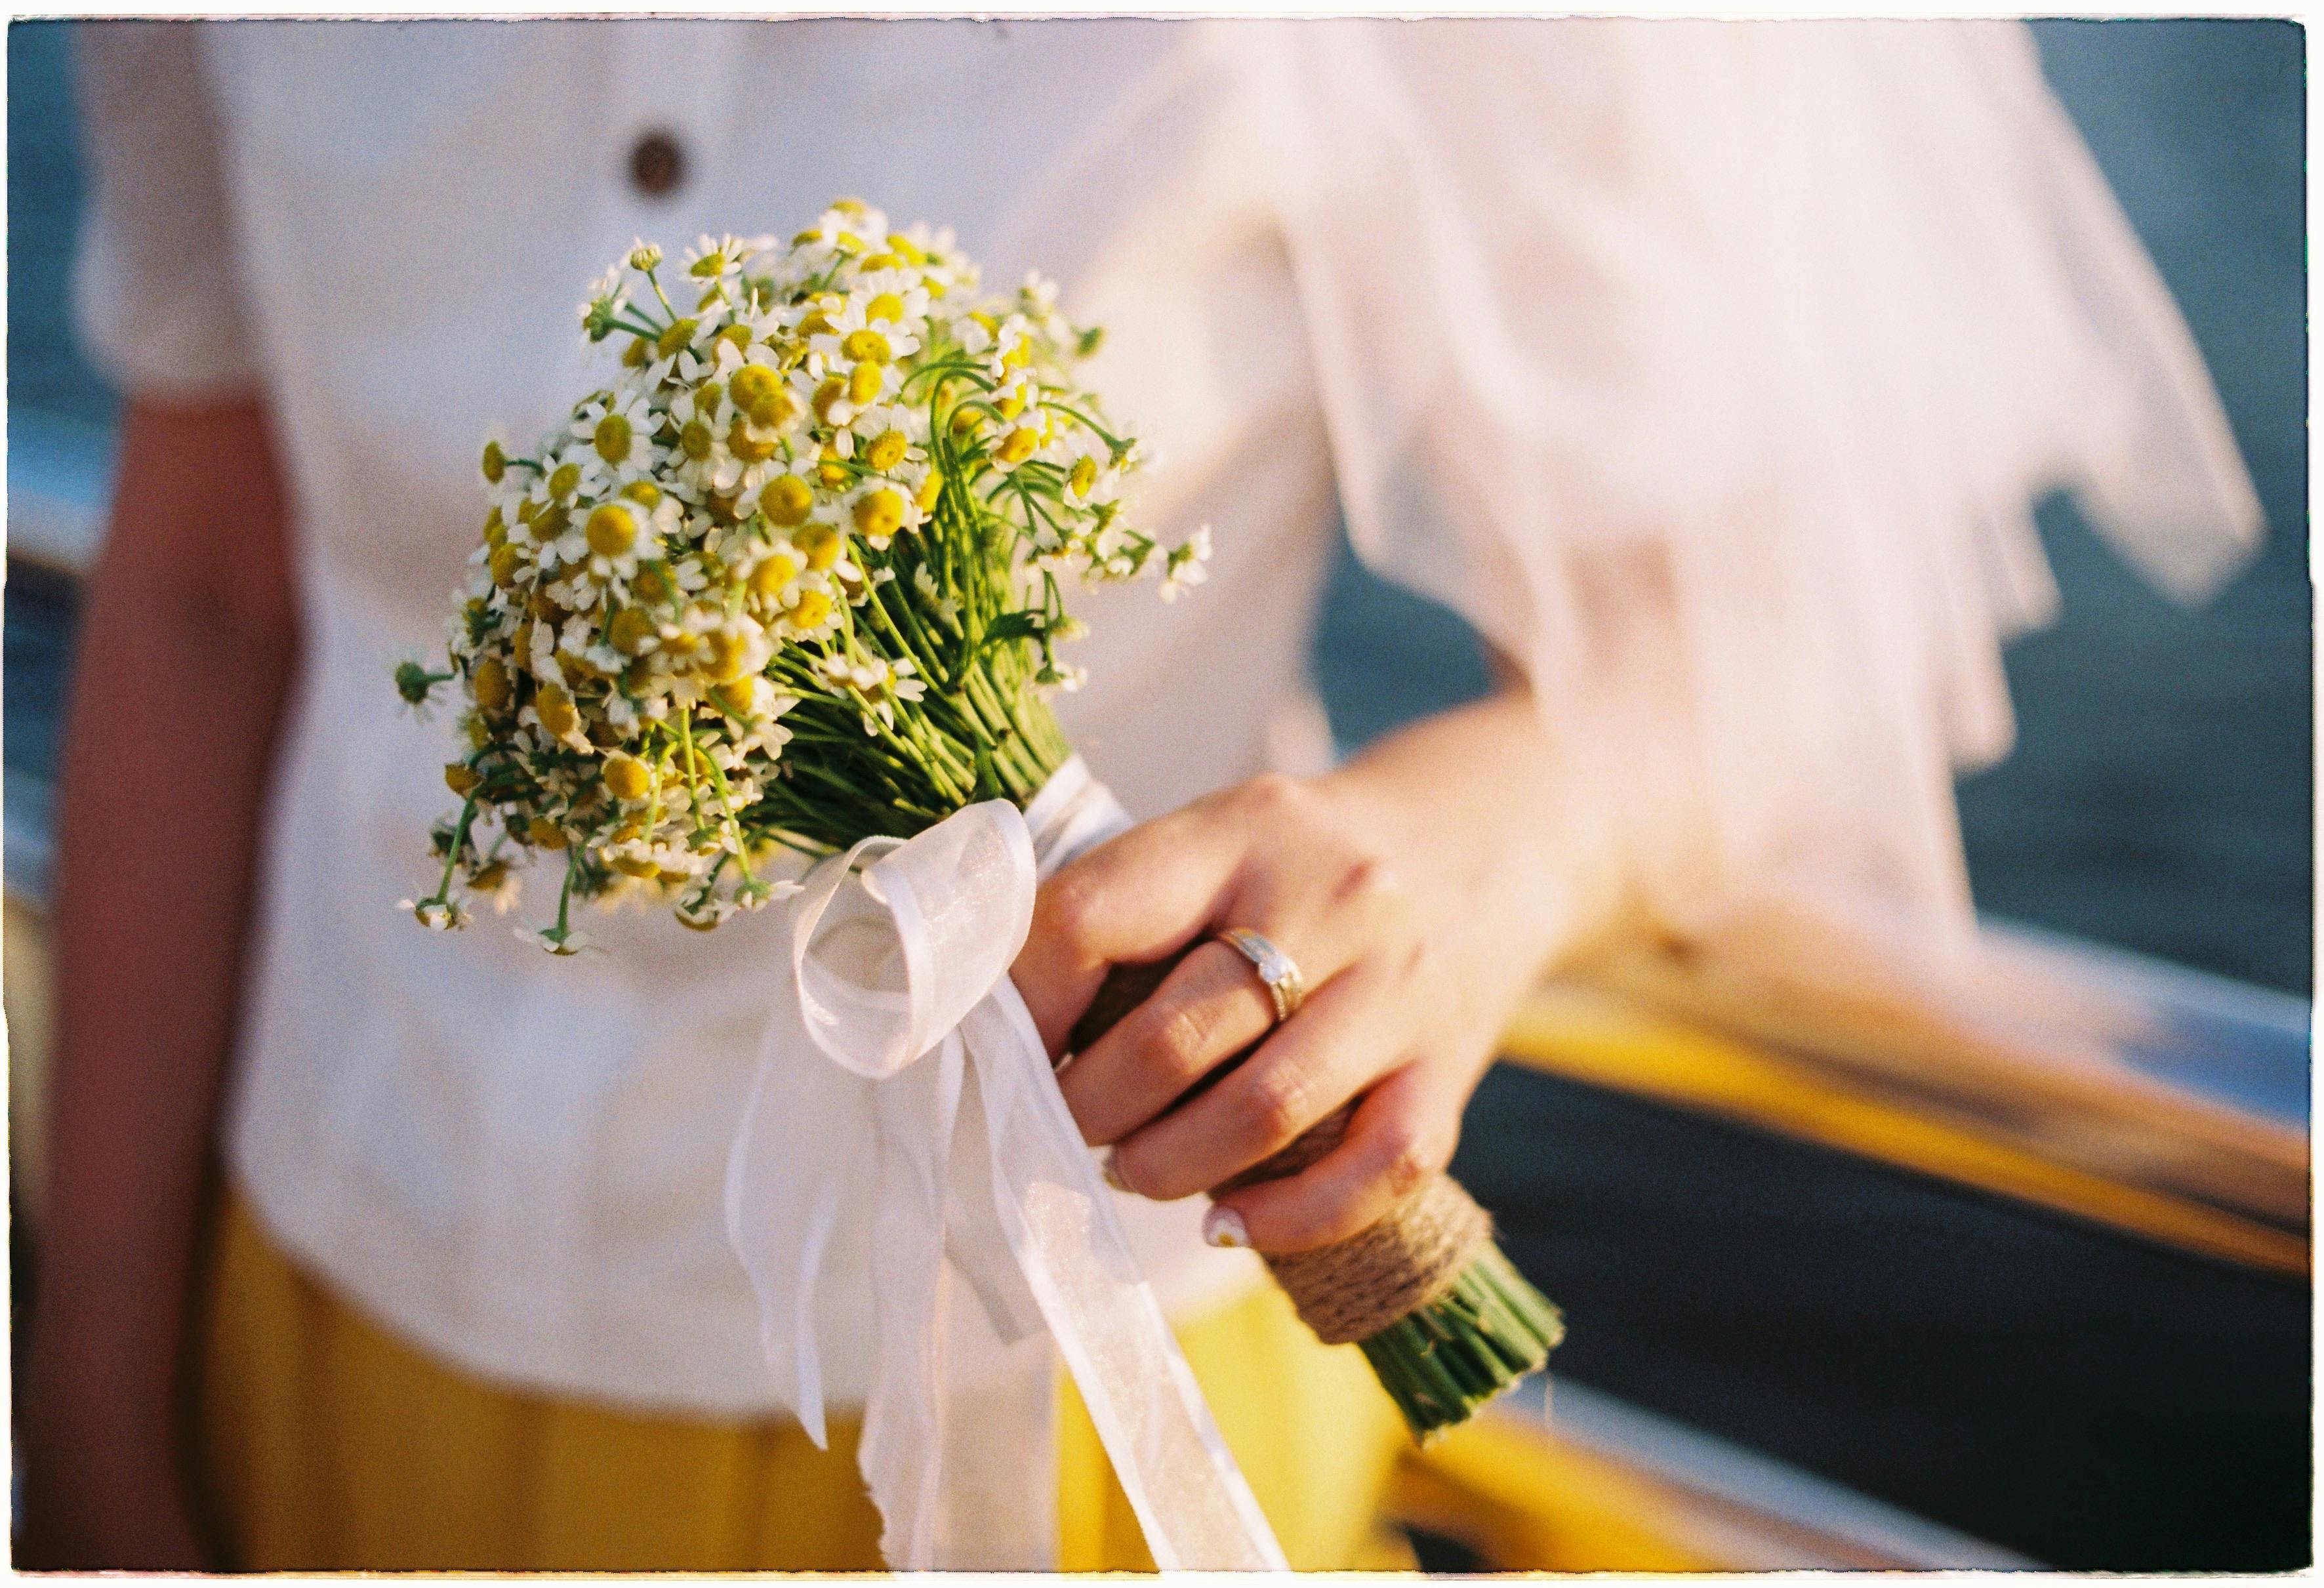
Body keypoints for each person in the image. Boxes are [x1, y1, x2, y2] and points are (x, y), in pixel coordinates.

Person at [20, 16, 2259, 1572]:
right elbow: (212, 582)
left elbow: (1769, 619)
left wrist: (1478, 841)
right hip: (316, 1307)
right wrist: (90, 1399)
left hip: (1072, 1394)